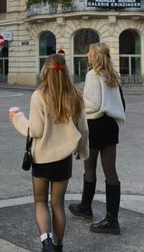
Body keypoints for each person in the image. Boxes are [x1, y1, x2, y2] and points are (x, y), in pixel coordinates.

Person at [9, 54, 89, 252]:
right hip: (64, 160)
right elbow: (84, 129)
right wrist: (81, 150)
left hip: (42, 158)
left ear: (46, 70)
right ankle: (58, 246)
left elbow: (35, 130)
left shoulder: (39, 95)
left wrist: (17, 119)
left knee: (40, 202)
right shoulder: (76, 95)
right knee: (58, 205)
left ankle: (46, 244)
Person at [69, 42, 126, 235]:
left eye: (89, 53)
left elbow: (92, 104)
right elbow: (120, 103)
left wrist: (78, 98)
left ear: (95, 56)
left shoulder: (92, 75)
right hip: (110, 126)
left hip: (94, 125)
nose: (87, 55)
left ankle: (86, 207)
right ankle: (113, 219)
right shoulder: (113, 76)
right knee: (111, 172)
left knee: (89, 167)